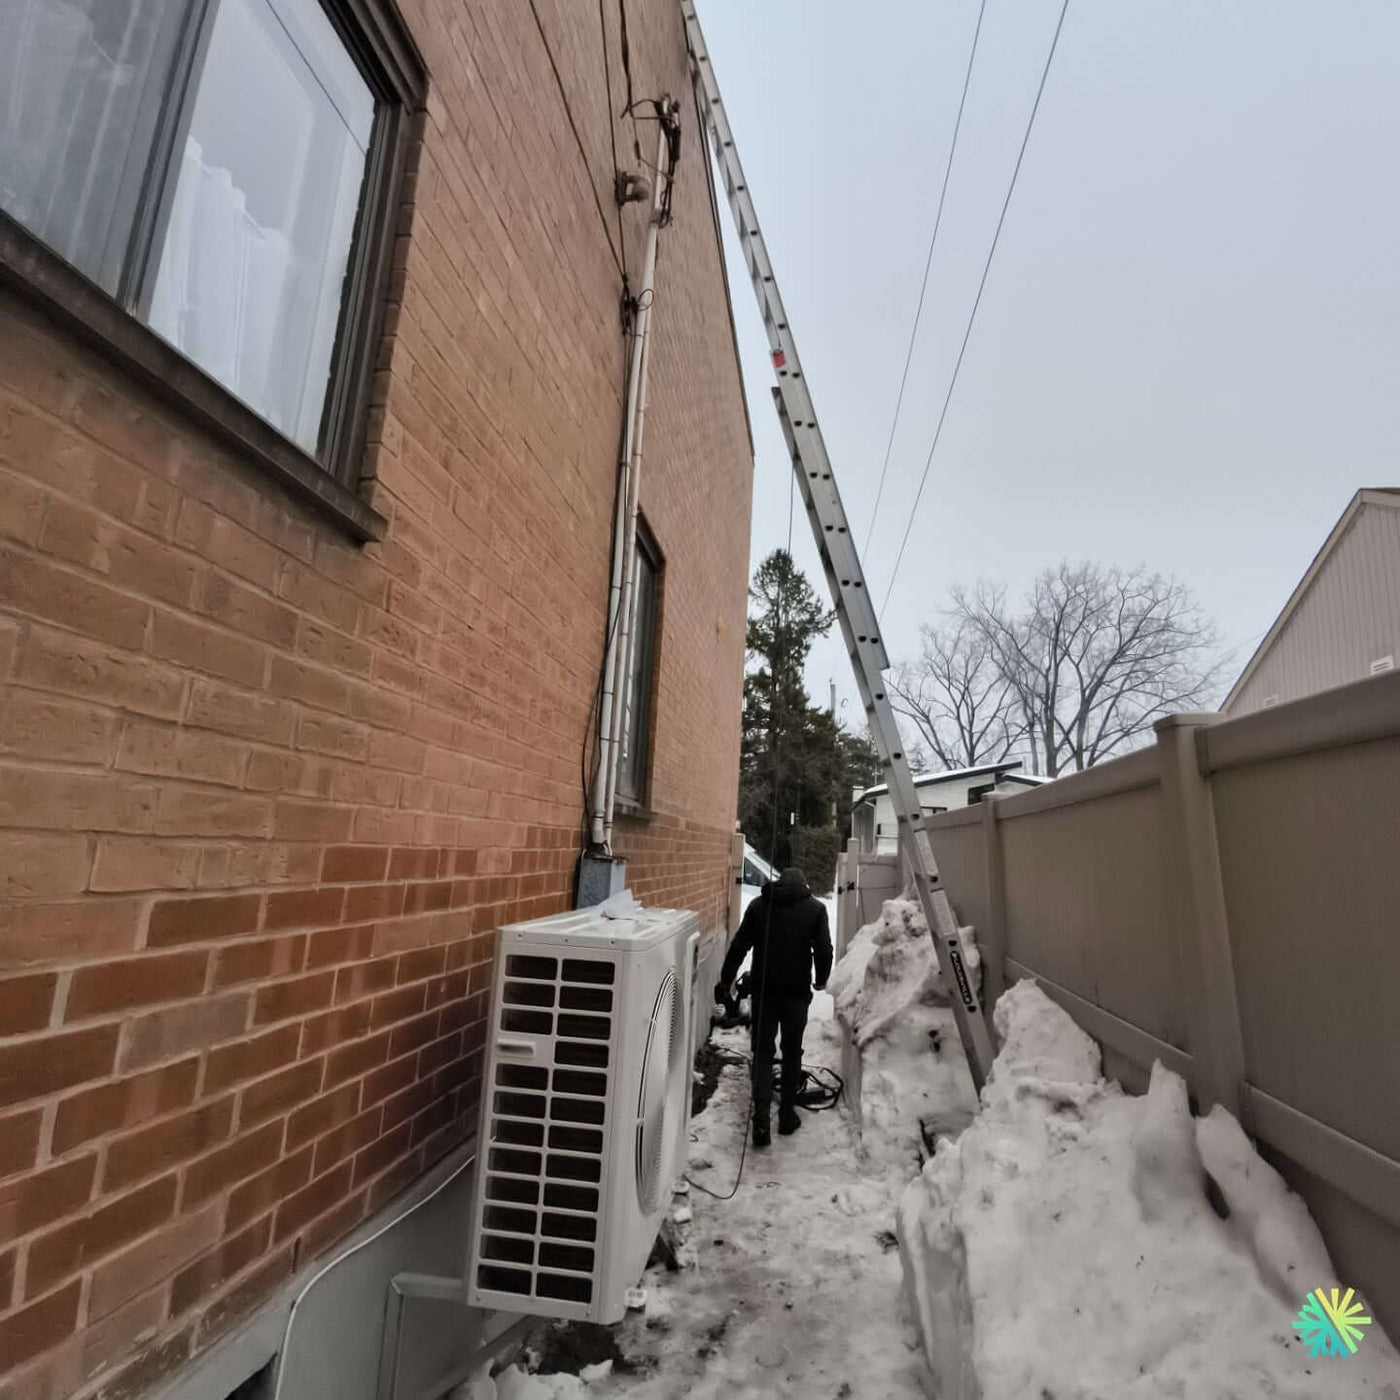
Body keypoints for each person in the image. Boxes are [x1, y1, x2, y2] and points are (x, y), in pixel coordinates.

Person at [718, 866, 833, 1148]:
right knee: (792, 1052)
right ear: (804, 885)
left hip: (764, 992)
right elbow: (824, 948)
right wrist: (821, 979)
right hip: (795, 994)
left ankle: (760, 1119)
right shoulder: (815, 909)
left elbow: (740, 944)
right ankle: (786, 1116)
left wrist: (726, 978)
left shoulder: (760, 905)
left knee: (763, 1051)